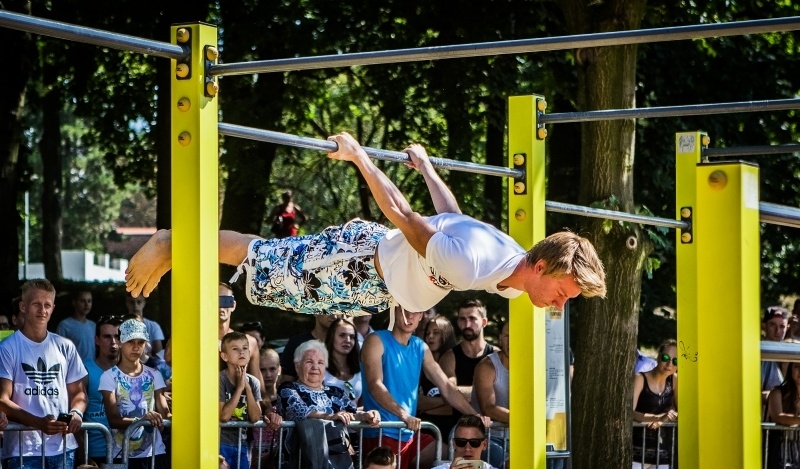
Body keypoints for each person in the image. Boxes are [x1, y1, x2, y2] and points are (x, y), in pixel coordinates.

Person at [125, 133, 606, 317]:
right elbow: (400, 211)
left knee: (267, 266)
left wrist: (429, 170)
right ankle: (174, 240)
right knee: (265, 261)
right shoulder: (471, 262)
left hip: (373, 287)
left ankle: (184, 248)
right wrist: (358, 156)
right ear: (542, 266)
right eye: (564, 291)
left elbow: (452, 218)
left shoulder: (509, 269)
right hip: (359, 264)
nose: (562, 303)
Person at [360, 305, 487, 469]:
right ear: (395, 310)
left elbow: (445, 386)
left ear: (422, 316)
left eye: (415, 311)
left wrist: (473, 416)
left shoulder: (420, 346)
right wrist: (404, 415)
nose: (409, 316)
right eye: (404, 310)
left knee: (446, 456)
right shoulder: (376, 340)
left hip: (409, 433)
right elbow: (375, 385)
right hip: (383, 432)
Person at [0, 279, 85, 469]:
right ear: (23, 306)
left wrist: (76, 413)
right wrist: (38, 423)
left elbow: (78, 392)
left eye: (47, 305)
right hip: (22, 453)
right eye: (36, 304)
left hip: (62, 450)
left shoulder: (65, 346)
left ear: (54, 308)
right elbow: (3, 400)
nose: (42, 310)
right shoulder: (8, 348)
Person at [99, 317, 171, 469]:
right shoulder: (109, 376)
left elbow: (164, 411)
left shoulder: (154, 374)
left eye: (140, 342)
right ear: (120, 342)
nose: (136, 347)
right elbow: (113, 419)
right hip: (121, 456)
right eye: (131, 341)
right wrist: (143, 419)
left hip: (155, 455)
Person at [278, 341, 379, 426]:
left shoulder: (336, 392)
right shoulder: (288, 389)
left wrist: (366, 415)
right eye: (309, 362)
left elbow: (352, 413)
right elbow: (300, 411)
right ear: (297, 366)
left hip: (336, 448)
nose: (315, 367)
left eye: (320, 363)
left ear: (325, 368)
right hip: (301, 448)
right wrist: (331, 417)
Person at [632, 339, 678, 469]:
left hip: (662, 451)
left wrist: (670, 415)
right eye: (666, 357)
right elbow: (631, 412)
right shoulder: (640, 378)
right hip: (638, 449)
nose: (669, 364)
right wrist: (656, 418)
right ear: (658, 357)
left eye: (675, 361)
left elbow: (680, 408)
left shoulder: (674, 381)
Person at [440, 300, 496, 435]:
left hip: (493, 431)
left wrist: (458, 392)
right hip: (460, 432)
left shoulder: (496, 355)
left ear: (484, 322)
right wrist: (486, 392)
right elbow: (448, 392)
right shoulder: (449, 358)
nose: (467, 324)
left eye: (472, 319)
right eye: (462, 319)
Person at [219, 331, 262, 469]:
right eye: (235, 349)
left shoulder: (254, 381)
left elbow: (255, 417)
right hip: (220, 444)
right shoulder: (220, 379)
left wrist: (248, 388)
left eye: (245, 348)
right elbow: (223, 416)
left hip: (241, 445)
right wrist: (239, 388)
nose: (241, 352)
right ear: (225, 356)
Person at [83, 315, 122, 464]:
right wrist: (83, 455)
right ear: (97, 340)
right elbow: (75, 413)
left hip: (128, 451)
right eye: (107, 337)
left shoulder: (132, 371)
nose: (113, 342)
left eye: (117, 337)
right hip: (95, 453)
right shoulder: (85, 370)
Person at [471, 322, 509, 468]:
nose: (511, 341)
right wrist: (523, 421)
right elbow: (488, 408)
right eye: (507, 336)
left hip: (521, 438)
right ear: (500, 339)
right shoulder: (487, 366)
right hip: (490, 438)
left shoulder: (532, 365)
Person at [765, 362, 800, 469]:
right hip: (780, 456)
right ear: (790, 369)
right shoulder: (778, 393)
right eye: (797, 366)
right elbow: (778, 416)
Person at [417, 315, 458, 442]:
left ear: (446, 335)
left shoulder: (455, 362)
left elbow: (450, 410)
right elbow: (418, 403)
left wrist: (430, 404)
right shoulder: (419, 365)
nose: (430, 336)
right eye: (428, 333)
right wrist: (449, 398)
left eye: (436, 333)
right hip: (425, 432)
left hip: (450, 432)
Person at [280, 314, 343, 383]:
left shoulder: (346, 344)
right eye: (328, 311)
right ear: (315, 313)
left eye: (338, 311)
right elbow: (286, 381)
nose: (334, 316)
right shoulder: (297, 343)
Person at [324, 317, 362, 408]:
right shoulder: (320, 367)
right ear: (331, 337)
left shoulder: (361, 370)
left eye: (352, 337)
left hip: (356, 421)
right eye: (342, 335)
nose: (348, 340)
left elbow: (365, 405)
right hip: (329, 420)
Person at [56, 289, 96, 362]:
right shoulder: (65, 325)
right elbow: (59, 351)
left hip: (92, 369)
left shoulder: (93, 325)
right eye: (82, 301)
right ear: (74, 302)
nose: (86, 305)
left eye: (89, 301)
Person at [762, 306, 789, 408]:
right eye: (772, 325)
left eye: (782, 327)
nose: (777, 332)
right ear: (764, 325)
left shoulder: (791, 352)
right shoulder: (757, 352)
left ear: (788, 327)